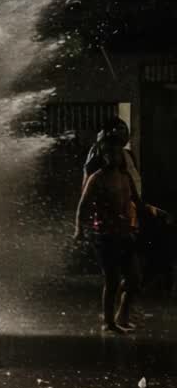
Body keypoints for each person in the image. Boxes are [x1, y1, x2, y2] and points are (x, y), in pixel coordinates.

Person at [75, 142, 143, 333]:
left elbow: (137, 202)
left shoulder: (125, 177)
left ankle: (122, 315)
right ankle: (108, 322)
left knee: (134, 279)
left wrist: (154, 214)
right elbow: (83, 205)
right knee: (112, 280)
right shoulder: (96, 179)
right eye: (109, 154)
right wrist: (78, 230)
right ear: (103, 158)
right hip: (105, 235)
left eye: (117, 154)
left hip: (125, 233)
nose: (114, 157)